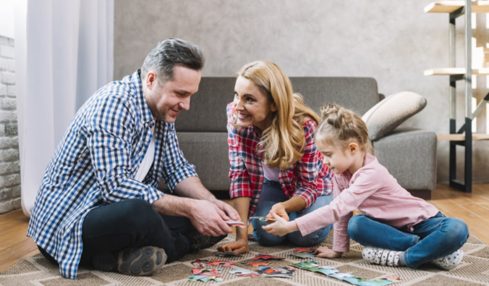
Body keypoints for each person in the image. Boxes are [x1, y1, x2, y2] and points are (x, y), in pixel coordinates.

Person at [27, 38, 240, 280]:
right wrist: (192, 209)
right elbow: (115, 187)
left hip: (111, 213)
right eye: (181, 93)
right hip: (72, 221)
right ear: (151, 80)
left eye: (191, 95)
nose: (187, 105)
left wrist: (210, 202)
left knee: (215, 219)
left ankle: (122, 256)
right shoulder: (113, 104)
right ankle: (165, 247)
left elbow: (176, 168)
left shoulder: (162, 111)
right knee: (140, 213)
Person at [263, 103, 469, 270]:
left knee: (458, 229)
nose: (324, 161)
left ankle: (405, 258)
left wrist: (290, 226)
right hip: (395, 230)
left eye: (327, 155)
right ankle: (430, 252)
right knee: (357, 224)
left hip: (426, 222)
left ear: (352, 148)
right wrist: (338, 249)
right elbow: (342, 214)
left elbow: (334, 209)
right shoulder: (339, 174)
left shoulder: (372, 173)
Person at [217, 61, 334, 255]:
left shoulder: (304, 126)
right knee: (267, 236)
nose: (238, 106)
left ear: (273, 103)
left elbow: (310, 186)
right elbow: (240, 176)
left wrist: (283, 207)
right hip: (273, 185)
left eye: (249, 99)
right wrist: (241, 237)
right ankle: (295, 216)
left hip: (315, 187)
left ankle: (332, 208)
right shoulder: (235, 116)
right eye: (237, 95)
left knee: (304, 236)